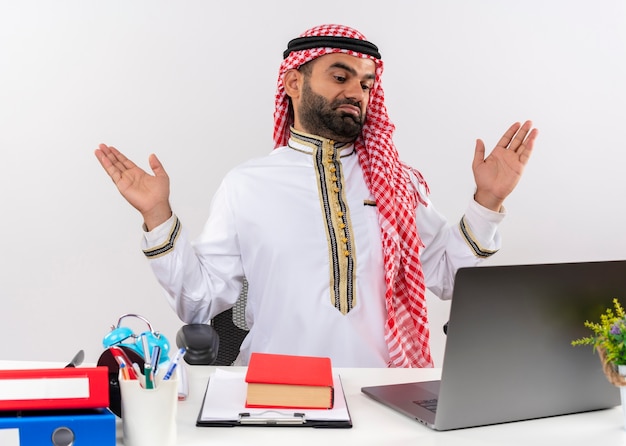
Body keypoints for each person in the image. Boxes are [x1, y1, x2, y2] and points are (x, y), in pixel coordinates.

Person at [95, 24, 537, 368]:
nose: (356, 93)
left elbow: (445, 277)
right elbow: (200, 302)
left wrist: (487, 201)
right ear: (293, 83)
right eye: (340, 76)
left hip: (379, 389)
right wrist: (157, 214)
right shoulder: (247, 184)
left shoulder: (395, 183)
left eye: (366, 84)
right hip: (272, 391)